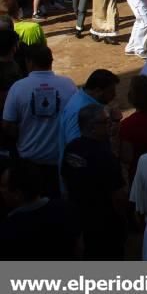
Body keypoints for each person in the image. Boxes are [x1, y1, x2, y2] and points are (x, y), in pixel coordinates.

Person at [3, 44, 77, 198]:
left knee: (30, 201)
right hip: (58, 157)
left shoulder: (18, 87)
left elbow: (8, 124)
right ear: (51, 61)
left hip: (28, 158)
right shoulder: (68, 85)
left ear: (29, 63)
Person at [61, 104, 128, 259]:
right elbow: (118, 196)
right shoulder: (106, 156)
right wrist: (122, 220)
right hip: (105, 225)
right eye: (105, 122)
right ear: (92, 127)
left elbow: (65, 178)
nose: (109, 124)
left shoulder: (71, 148)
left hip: (79, 220)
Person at [0, 161, 81, 260]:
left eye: (3, 186)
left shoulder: (8, 230)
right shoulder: (67, 209)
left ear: (17, 193)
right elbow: (79, 247)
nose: (1, 190)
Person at [58, 68, 119, 163]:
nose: (114, 95)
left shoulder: (84, 99)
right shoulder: (79, 110)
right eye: (111, 91)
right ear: (98, 91)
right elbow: (76, 152)